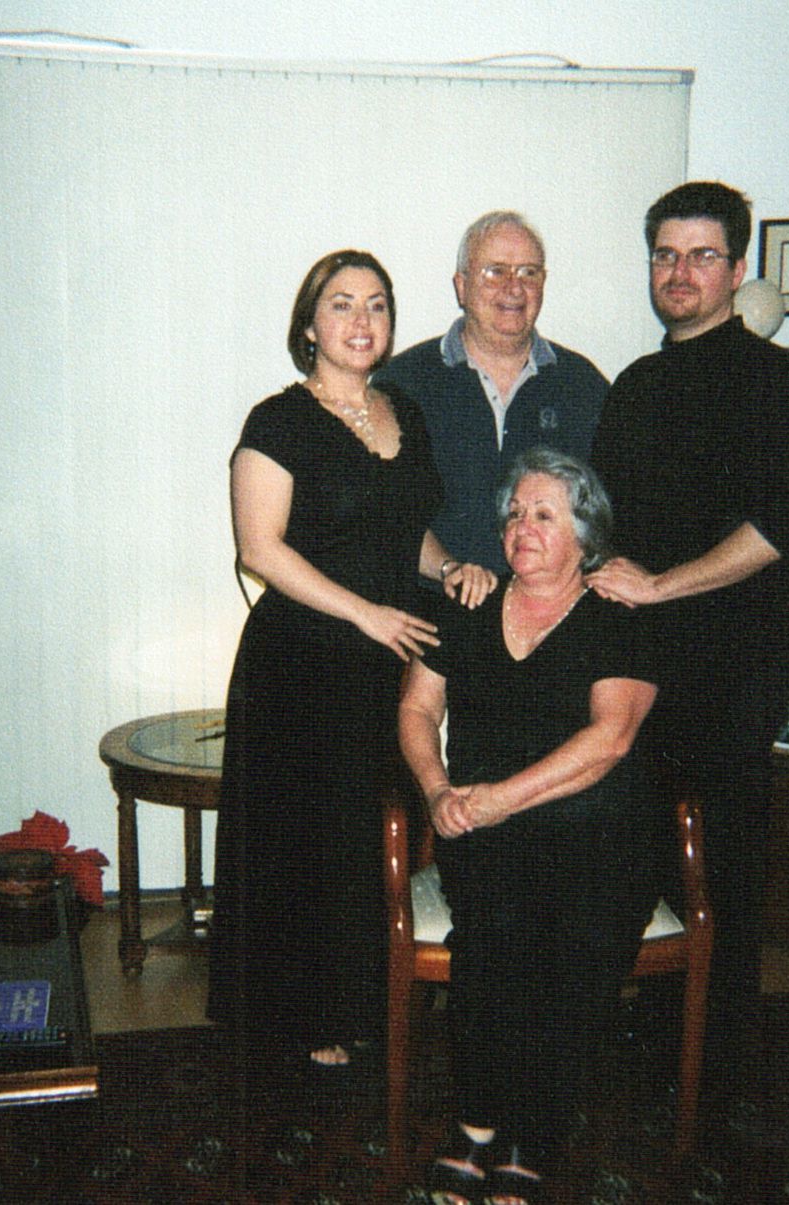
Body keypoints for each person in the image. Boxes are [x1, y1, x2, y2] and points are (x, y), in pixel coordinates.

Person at [207, 250, 495, 1067]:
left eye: (376, 305)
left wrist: (448, 566)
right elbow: (260, 547)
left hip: (385, 657)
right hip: (300, 662)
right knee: (308, 842)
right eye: (341, 304)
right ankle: (304, 1017)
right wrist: (363, 612)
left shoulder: (402, 409)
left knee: (371, 835)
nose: (361, 321)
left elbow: (406, 530)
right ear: (309, 325)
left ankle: (368, 999)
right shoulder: (278, 421)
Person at [588, 181, 789, 1084]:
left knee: (720, 872)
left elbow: (776, 527)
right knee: (639, 854)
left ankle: (716, 1064)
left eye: (700, 255)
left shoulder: (777, 384)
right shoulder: (635, 385)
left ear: (736, 269)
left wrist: (659, 586)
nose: (679, 273)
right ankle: (650, 1035)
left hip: (730, 665)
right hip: (636, 667)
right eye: (665, 255)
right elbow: (603, 519)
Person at [399, 448, 660, 1202]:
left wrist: (498, 799)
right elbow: (416, 708)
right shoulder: (466, 604)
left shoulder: (620, 615)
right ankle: (480, 1121)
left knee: (567, 931)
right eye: (514, 513)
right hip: (483, 828)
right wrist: (437, 789)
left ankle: (529, 1128)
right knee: (492, 925)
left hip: (596, 830)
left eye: (544, 514)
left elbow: (609, 739)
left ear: (585, 533)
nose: (522, 527)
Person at [375, 211, 609, 574]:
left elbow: (606, 514)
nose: (514, 288)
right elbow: (382, 512)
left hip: (548, 602)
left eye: (528, 272)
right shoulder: (403, 383)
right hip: (433, 597)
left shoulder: (583, 385)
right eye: (495, 271)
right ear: (461, 286)